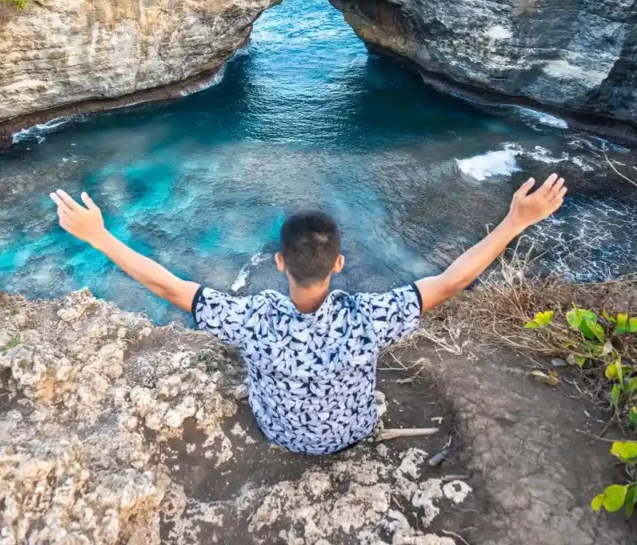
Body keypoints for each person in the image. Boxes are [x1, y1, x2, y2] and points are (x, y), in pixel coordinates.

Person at [50, 173, 566, 455]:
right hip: (354, 429)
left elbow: (168, 286)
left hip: (280, 432)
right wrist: (514, 222)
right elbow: (452, 280)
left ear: (279, 262)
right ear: (339, 264)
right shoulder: (371, 315)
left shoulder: (253, 319)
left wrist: (98, 236)